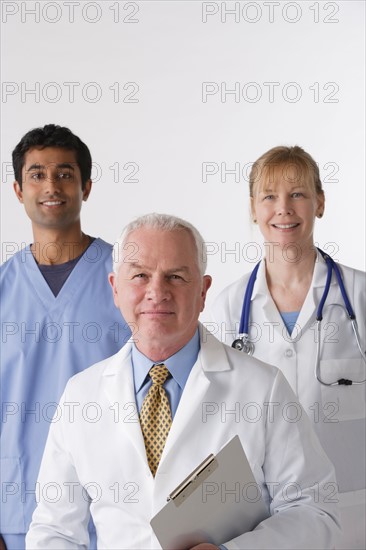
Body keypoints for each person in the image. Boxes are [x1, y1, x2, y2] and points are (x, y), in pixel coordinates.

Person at [26, 213, 340, 549]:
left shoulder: (264, 389)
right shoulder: (80, 394)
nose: (157, 292)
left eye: (175, 277)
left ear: (203, 292)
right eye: (140, 276)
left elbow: (315, 512)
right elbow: (54, 530)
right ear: (116, 288)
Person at [211, 146, 366, 550]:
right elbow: (212, 418)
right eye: (269, 196)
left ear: (320, 202)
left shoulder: (360, 296)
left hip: (353, 515)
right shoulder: (228, 307)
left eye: (297, 194)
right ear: (253, 208)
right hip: (261, 524)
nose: (284, 208)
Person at [0, 124, 131, 550]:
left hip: (114, 513)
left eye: (65, 174)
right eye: (37, 174)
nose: (51, 185)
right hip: (17, 512)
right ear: (18, 189)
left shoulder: (129, 278)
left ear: (86, 186)